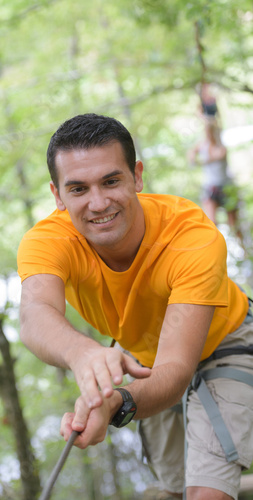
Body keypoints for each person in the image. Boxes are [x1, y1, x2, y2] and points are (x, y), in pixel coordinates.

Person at [18, 113, 253, 500]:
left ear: (137, 176)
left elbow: (176, 369)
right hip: (143, 355)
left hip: (226, 342)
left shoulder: (192, 237)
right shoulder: (48, 241)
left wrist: (119, 402)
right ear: (57, 195)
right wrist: (84, 355)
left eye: (111, 181)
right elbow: (34, 315)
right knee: (170, 489)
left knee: (206, 493)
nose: (98, 203)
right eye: (77, 189)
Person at [188, 117, 243, 243]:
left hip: (227, 187)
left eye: (211, 131)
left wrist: (198, 160)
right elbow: (191, 154)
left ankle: (244, 251)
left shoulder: (221, 147)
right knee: (212, 222)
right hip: (210, 187)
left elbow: (215, 157)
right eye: (207, 131)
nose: (209, 134)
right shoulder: (202, 145)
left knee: (233, 223)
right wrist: (192, 155)